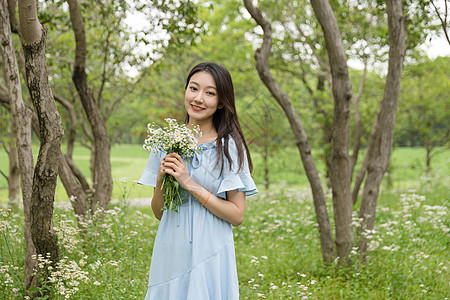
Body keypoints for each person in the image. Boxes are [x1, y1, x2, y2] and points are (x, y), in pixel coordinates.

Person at [138, 62, 258, 299]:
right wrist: (163, 177)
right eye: (193, 89)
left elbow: (237, 215)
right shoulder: (165, 142)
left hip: (212, 250)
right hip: (172, 247)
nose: (198, 98)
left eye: (210, 93)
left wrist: (188, 183)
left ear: (221, 101)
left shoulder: (229, 147)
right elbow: (159, 212)